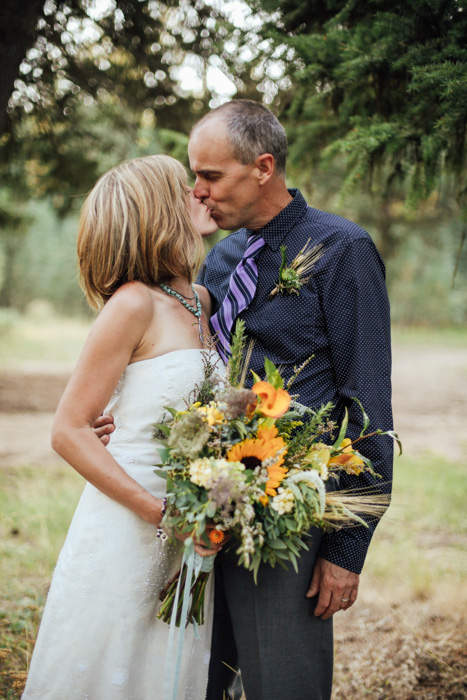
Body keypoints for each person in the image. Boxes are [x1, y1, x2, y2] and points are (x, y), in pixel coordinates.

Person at [95, 100, 393, 700]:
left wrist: (347, 546)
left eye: (210, 176)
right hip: (202, 511)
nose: (198, 193)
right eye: (193, 176)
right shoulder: (223, 258)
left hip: (290, 514)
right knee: (198, 679)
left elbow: (368, 409)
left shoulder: (342, 249)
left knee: (284, 683)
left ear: (262, 167)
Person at [22, 154, 222, 700]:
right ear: (158, 212)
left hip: (193, 522)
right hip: (134, 519)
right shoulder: (132, 303)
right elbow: (68, 429)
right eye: (185, 189)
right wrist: (160, 513)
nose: (199, 195)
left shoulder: (201, 300)